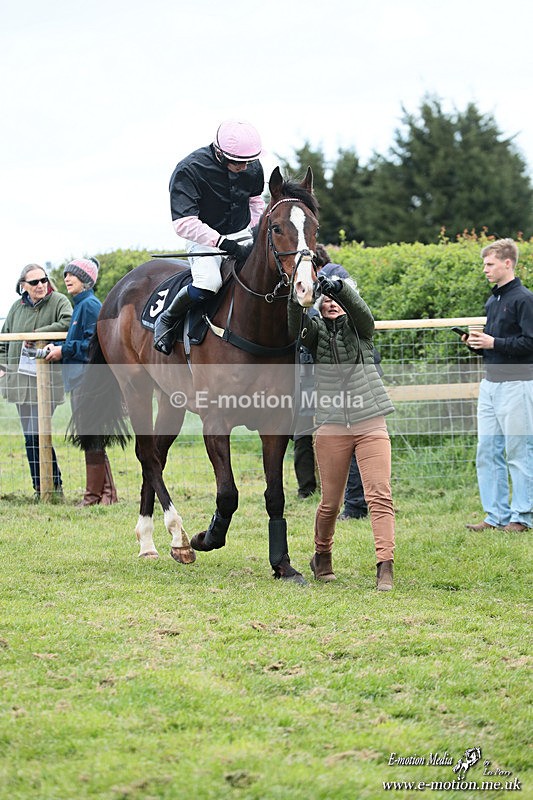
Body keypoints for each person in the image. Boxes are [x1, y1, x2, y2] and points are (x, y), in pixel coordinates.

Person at [288, 271, 396, 590]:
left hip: (371, 419)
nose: (332, 303)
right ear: (319, 306)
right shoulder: (316, 331)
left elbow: (364, 315)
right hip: (331, 425)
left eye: (337, 299)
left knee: (379, 495)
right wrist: (300, 297)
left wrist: (341, 288)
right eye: (327, 300)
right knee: (330, 503)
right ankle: (322, 555)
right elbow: (296, 326)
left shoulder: (360, 329)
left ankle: (385, 565)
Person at [154, 120, 265, 355]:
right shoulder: (189, 170)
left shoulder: (251, 165)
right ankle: (167, 319)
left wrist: (255, 233)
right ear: (220, 153)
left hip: (243, 233)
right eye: (238, 163)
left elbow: (255, 202)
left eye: (249, 162)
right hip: (204, 238)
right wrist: (224, 243)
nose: (245, 167)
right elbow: (184, 223)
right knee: (209, 284)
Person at [463, 238, 533, 533]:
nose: (485, 269)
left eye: (489, 264)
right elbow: (497, 346)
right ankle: (496, 516)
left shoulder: (524, 299)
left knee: (519, 450)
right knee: (487, 450)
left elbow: (530, 343)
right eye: (484, 264)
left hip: (518, 384)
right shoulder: (493, 300)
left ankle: (523, 516)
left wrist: (494, 342)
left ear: (508, 263)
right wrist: (477, 345)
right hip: (490, 384)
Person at [45, 258, 118, 506]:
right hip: (80, 379)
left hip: (89, 379)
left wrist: (63, 351)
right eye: (65, 274)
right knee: (92, 436)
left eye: (72, 275)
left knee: (91, 436)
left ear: (86, 280)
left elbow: (93, 343)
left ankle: (92, 497)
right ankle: (106, 495)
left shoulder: (90, 306)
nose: (67, 278)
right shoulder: (81, 305)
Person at [0, 264, 72, 499]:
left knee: (37, 434)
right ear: (23, 286)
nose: (40, 285)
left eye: (43, 280)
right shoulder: (15, 308)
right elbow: (4, 339)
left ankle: (51, 487)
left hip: (46, 384)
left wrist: (37, 333)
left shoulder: (59, 301)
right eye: (34, 282)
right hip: (20, 382)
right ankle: (43, 487)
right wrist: (1, 366)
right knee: (31, 436)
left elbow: (67, 322)